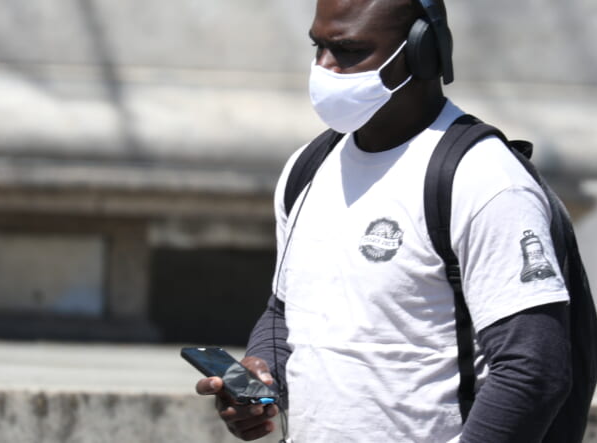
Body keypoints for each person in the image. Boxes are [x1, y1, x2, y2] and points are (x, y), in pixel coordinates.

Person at [196, 1, 572, 441]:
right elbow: (284, 313)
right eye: (318, 47)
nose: (324, 67)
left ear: (421, 52)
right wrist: (262, 372)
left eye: (349, 50)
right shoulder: (307, 168)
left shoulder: (484, 179)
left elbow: (533, 370)